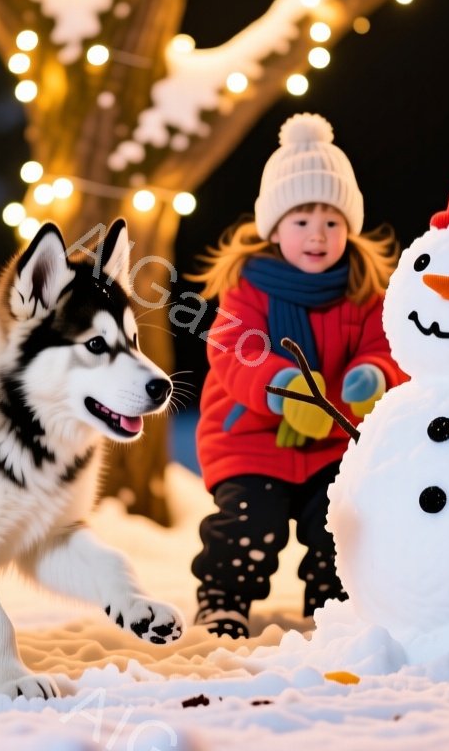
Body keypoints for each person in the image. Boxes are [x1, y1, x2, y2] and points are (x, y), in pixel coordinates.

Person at [188, 112, 404, 639]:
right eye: (302, 221)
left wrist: (372, 376)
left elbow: (386, 347)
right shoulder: (247, 290)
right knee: (247, 523)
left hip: (332, 441)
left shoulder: (363, 292)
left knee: (338, 522)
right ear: (275, 227)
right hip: (250, 438)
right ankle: (224, 598)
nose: (318, 235)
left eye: (332, 222)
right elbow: (235, 352)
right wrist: (284, 388)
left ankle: (332, 602)